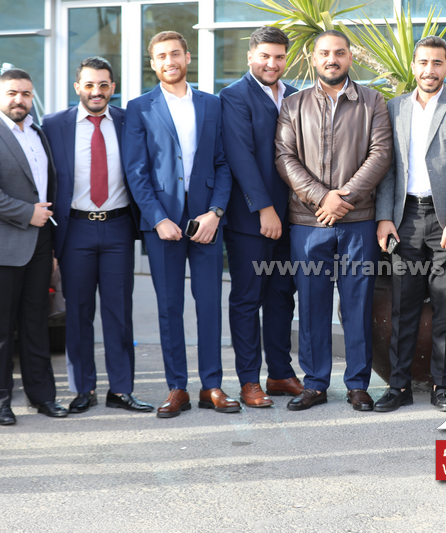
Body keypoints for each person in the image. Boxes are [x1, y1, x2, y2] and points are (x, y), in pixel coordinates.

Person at [275, 30, 392, 411]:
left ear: (350, 58)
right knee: (312, 305)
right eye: (324, 53)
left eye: (339, 53)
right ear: (313, 58)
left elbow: (380, 154)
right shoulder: (293, 105)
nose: (332, 59)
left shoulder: (373, 101)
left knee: (357, 305)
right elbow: (284, 158)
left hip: (359, 221)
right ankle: (315, 384)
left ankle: (358, 384)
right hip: (308, 222)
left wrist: (343, 198)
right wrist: (321, 197)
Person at [124, 31, 235, 418]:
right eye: (161, 56)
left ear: (188, 57)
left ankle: (211, 385)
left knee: (209, 304)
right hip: (163, 223)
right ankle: (177, 388)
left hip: (206, 221)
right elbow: (136, 171)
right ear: (153, 64)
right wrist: (157, 219)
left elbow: (223, 163)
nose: (169, 60)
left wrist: (216, 213)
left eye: (175, 53)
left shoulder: (211, 104)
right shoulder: (139, 108)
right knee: (169, 307)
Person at [374, 36, 446, 412]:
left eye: (437, 63)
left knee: (445, 304)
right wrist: (384, 217)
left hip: (444, 221)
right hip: (403, 219)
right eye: (423, 62)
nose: (429, 70)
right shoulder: (394, 107)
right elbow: (387, 168)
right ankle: (399, 386)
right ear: (414, 66)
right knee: (402, 304)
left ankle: (443, 384)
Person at [42, 57, 153, 414]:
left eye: (103, 85)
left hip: (118, 226)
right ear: (78, 87)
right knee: (77, 313)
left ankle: (121, 390)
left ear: (112, 87)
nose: (96, 91)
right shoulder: (53, 125)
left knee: (119, 311)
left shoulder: (128, 120)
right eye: (89, 85)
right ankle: (83, 389)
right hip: (75, 228)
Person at [0, 68, 66, 425]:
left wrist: (49, 238)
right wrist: (28, 213)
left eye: (25, 93)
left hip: (39, 243)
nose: (19, 100)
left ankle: (43, 396)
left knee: (36, 323)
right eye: (12, 93)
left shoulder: (38, 132)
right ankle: (0, 401)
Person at [220, 27, 303, 407]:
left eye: (279, 56)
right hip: (252, 221)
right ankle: (249, 380)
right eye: (265, 56)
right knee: (247, 298)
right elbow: (241, 157)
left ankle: (280, 373)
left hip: (293, 218)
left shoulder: (296, 95)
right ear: (250, 56)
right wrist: (265, 209)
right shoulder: (234, 96)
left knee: (282, 296)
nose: (272, 63)